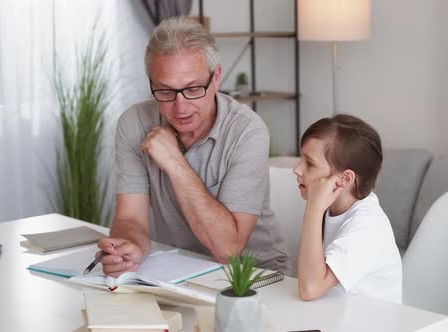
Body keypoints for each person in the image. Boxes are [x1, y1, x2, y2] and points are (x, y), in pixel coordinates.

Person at [97, 17, 288, 277]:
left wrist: (174, 162)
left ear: (216, 78)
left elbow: (228, 251)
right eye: (165, 91)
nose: (180, 107)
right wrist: (129, 248)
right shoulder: (134, 123)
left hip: (253, 276)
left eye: (193, 89)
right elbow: (130, 219)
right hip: (178, 269)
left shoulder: (248, 131)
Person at [293, 114, 402, 303]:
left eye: (309, 163)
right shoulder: (331, 209)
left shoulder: (368, 226)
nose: (297, 169)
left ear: (343, 180)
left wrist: (313, 210)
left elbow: (310, 289)